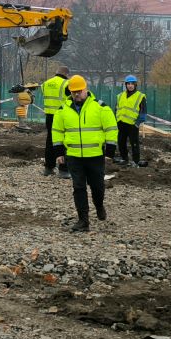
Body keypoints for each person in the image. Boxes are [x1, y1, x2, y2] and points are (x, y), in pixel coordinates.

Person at [53, 74, 118, 232]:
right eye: (73, 92)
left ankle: (99, 205)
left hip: (95, 156)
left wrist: (110, 151)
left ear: (86, 89)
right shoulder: (62, 110)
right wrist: (59, 152)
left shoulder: (100, 107)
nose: (76, 94)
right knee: (79, 188)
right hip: (74, 156)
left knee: (97, 187)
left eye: (79, 91)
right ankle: (83, 220)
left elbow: (111, 128)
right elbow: (57, 131)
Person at [40, 65, 70, 178]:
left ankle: (48, 168)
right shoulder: (66, 84)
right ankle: (63, 170)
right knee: (63, 142)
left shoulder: (46, 83)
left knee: (50, 141)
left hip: (49, 116)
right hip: (62, 116)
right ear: (66, 74)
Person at [115, 75, 146, 166]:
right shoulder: (120, 96)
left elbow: (143, 113)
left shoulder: (140, 96)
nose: (130, 85)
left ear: (135, 85)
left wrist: (137, 123)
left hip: (132, 125)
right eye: (128, 84)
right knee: (121, 143)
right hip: (121, 123)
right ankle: (124, 159)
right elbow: (116, 109)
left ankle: (136, 161)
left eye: (132, 83)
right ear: (126, 85)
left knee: (134, 144)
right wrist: (116, 121)